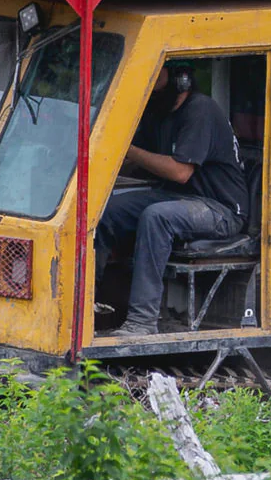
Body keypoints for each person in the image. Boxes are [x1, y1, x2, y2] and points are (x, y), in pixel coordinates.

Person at [98, 64, 249, 336]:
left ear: (180, 80)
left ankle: (142, 322)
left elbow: (180, 171)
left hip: (220, 209)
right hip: (179, 198)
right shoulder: (159, 113)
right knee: (107, 210)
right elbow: (138, 161)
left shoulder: (200, 111)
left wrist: (128, 150)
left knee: (157, 216)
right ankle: (88, 306)